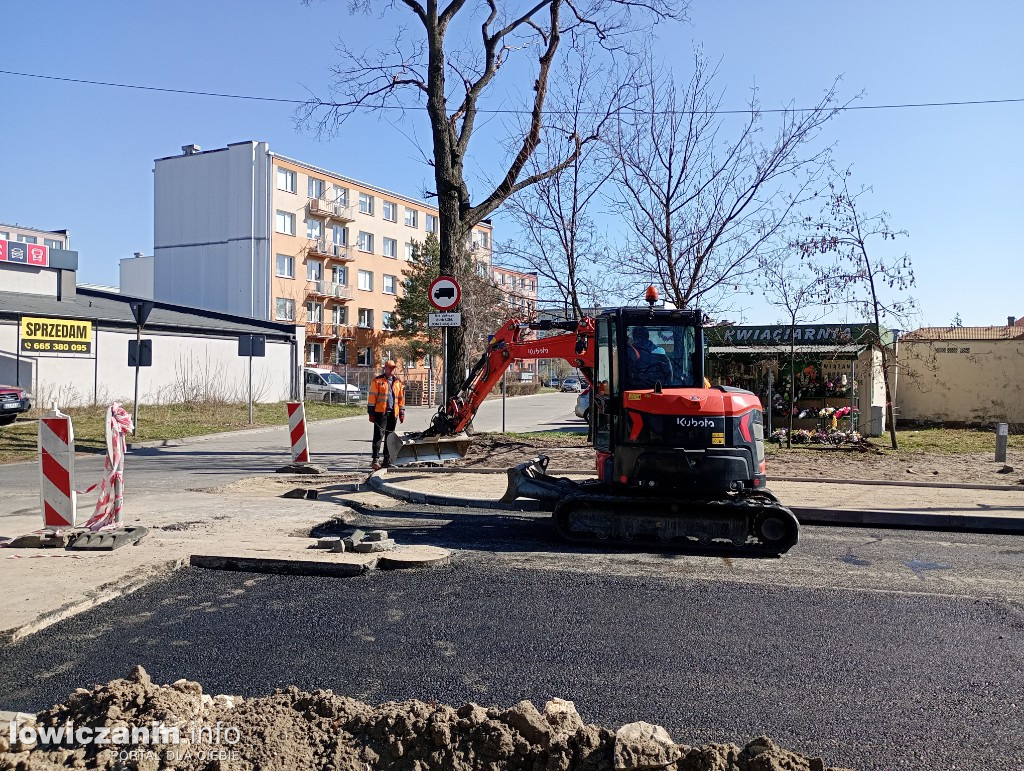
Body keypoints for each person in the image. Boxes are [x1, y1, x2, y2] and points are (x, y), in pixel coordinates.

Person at [367, 359, 406, 470]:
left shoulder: (397, 382)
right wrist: (371, 413)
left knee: (390, 437)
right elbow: (372, 397)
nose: (392, 370)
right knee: (378, 436)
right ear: (386, 368)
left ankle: (386, 460)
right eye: (390, 368)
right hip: (381, 413)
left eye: (394, 368)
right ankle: (375, 460)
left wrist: (402, 412)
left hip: (393, 413)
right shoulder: (378, 380)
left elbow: (400, 398)